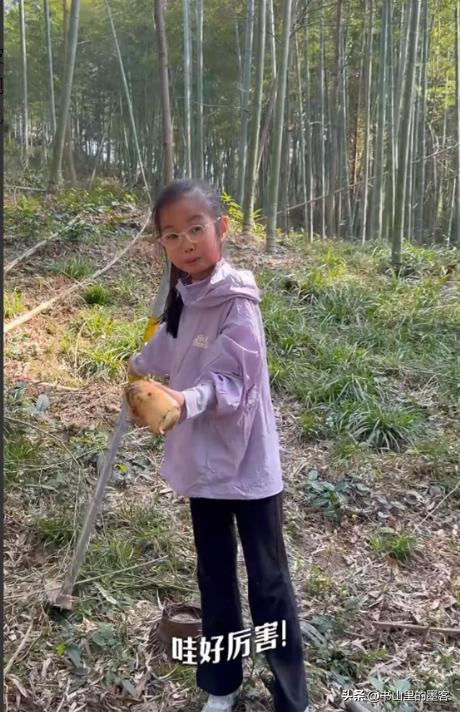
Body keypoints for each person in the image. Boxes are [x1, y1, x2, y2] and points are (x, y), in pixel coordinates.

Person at [127, 179, 309, 712]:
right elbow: (168, 347)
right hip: (203, 467)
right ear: (161, 244)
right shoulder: (184, 299)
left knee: (269, 584)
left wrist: (184, 400)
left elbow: (234, 383)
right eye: (172, 235)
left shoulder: (237, 302)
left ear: (221, 229)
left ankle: (289, 696)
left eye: (196, 229)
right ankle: (222, 684)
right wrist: (136, 368)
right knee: (214, 578)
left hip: (248, 467)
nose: (186, 243)